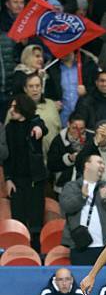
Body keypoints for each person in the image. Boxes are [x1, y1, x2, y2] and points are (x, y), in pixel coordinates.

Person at [60, 154, 106, 266]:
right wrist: (82, 197)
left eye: (103, 163)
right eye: (99, 162)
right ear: (87, 165)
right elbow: (66, 206)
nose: (102, 165)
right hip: (81, 247)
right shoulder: (72, 186)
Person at [3, 95, 47, 248]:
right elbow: (6, 158)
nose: (12, 110)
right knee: (18, 221)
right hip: (16, 180)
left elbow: (41, 124)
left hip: (35, 180)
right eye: (11, 107)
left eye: (15, 107)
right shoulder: (9, 128)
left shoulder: (34, 123)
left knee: (36, 222)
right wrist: (8, 178)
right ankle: (19, 251)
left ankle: (36, 253)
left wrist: (39, 127)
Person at [47, 113, 93, 194]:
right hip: (64, 186)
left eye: (81, 129)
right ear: (68, 124)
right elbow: (51, 165)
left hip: (88, 185)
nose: (78, 132)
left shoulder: (92, 138)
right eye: (74, 128)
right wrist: (69, 159)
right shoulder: (58, 140)